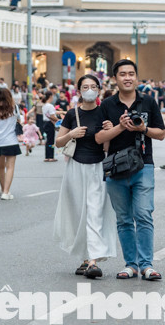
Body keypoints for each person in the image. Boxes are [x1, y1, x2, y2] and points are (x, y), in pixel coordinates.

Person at [95, 58, 165, 281]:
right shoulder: (107, 105)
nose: (127, 77)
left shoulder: (148, 102)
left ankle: (146, 265)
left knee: (143, 214)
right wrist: (119, 127)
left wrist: (143, 128)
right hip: (116, 168)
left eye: (131, 73)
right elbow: (99, 138)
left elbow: (161, 133)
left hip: (143, 165)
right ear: (115, 79)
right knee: (124, 219)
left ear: (136, 77)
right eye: (123, 74)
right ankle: (131, 264)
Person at [53, 73, 117, 278]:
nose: (89, 89)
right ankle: (84, 257)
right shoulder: (72, 114)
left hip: (98, 167)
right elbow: (58, 142)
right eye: (85, 86)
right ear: (79, 91)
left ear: (98, 89)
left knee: (95, 212)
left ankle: (93, 261)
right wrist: (71, 134)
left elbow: (108, 146)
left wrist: (110, 130)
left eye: (93, 86)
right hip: (75, 168)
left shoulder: (104, 113)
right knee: (79, 213)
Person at [0, 86, 21, 199]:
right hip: (11, 141)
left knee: (0, 168)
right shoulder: (14, 108)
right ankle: (6, 192)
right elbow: (19, 120)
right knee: (10, 167)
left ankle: (3, 190)